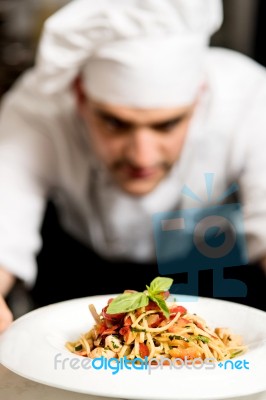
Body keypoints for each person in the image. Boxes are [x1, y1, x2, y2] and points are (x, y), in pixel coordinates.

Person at [0, 0, 266, 333]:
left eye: (167, 125)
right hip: (81, 270)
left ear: (199, 98)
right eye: (115, 123)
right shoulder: (37, 110)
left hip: (206, 265)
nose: (142, 156)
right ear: (80, 97)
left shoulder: (251, 98)